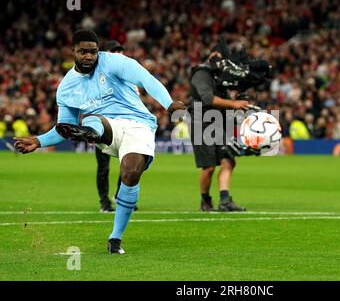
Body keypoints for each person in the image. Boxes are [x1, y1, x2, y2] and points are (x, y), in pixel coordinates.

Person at [14, 29, 185, 254]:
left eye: (93, 52)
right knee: (93, 119)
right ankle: (89, 132)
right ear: (72, 52)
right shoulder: (66, 88)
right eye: (83, 52)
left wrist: (168, 103)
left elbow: (146, 78)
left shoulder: (114, 62)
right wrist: (38, 141)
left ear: (98, 51)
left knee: (130, 173)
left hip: (138, 125)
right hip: (105, 127)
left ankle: (115, 238)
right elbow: (63, 129)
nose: (89, 56)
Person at [188, 44, 251, 212]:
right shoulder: (201, 74)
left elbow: (225, 98)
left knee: (229, 160)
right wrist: (234, 103)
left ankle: (224, 200)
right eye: (216, 55)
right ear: (211, 55)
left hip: (218, 123)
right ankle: (205, 200)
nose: (218, 59)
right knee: (208, 167)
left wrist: (237, 96)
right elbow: (207, 98)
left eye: (222, 57)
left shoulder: (220, 77)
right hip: (201, 123)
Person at [94, 40, 138, 213]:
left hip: (126, 126)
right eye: (115, 51)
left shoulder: (129, 77)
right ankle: (104, 202)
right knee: (103, 166)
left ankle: (122, 197)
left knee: (128, 162)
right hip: (104, 126)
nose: (119, 54)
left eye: (120, 51)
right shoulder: (98, 75)